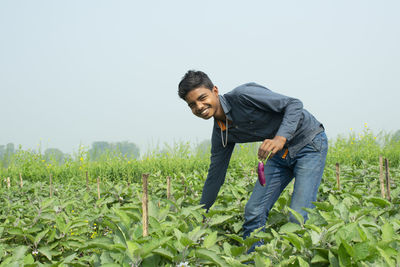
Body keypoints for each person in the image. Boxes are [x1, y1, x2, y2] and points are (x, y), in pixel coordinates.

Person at [177, 70, 328, 252]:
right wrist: (201, 212)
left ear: (215, 91)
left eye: (202, 98)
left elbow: (294, 104)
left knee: (298, 216)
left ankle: (301, 258)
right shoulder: (221, 134)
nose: (199, 106)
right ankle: (254, 258)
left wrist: (280, 138)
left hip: (308, 142)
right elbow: (215, 176)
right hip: (278, 154)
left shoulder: (243, 96)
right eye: (192, 105)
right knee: (253, 211)